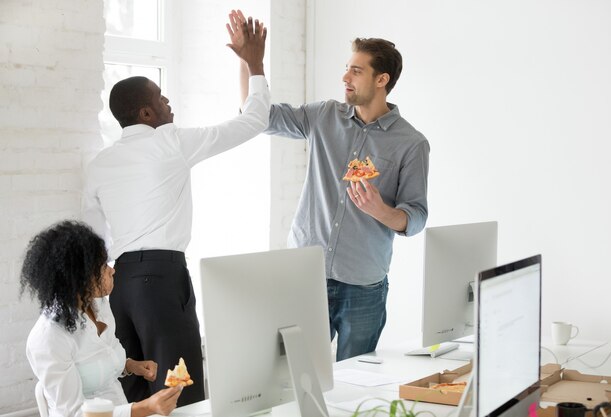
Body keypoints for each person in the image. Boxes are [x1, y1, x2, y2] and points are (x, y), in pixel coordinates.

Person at [82, 14, 269, 405]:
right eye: (162, 100)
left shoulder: (100, 164)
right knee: (178, 391)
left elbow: (94, 235)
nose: (170, 105)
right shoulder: (171, 143)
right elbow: (254, 121)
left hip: (118, 285)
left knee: (132, 394)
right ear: (147, 115)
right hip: (162, 280)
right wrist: (254, 65)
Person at [231, 11, 429, 361]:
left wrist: (380, 210)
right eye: (347, 68)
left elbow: (415, 217)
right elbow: (258, 117)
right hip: (305, 275)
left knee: (354, 381)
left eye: (356, 70)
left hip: (364, 286)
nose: (345, 77)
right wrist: (251, 63)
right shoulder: (323, 116)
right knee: (297, 377)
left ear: (382, 79)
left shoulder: (410, 143)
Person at [22, 220, 183, 417]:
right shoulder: (48, 338)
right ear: (78, 276)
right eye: (102, 266)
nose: (112, 270)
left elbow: (98, 358)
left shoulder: (99, 306)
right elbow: (74, 414)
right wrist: (145, 408)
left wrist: (131, 365)